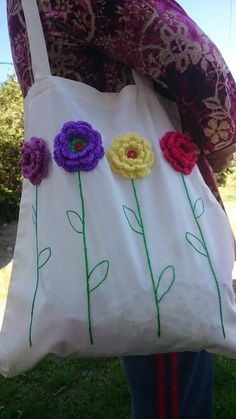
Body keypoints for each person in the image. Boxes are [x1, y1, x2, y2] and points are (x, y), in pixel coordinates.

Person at [7, 1, 236, 418]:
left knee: (140, 314)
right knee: (172, 377)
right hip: (150, 198)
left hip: (103, 207)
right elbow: (191, 58)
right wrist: (217, 148)